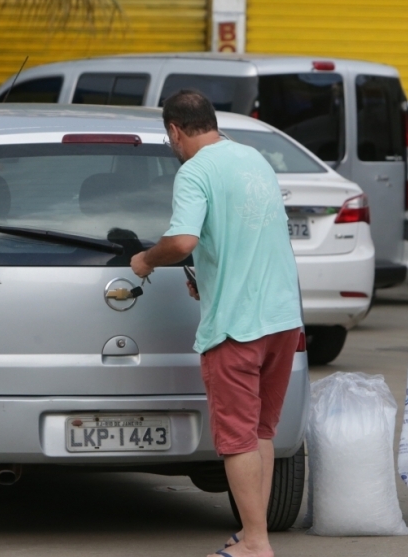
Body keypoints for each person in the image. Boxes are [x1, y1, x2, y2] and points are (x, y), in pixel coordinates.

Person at [131, 90, 302, 557]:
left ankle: (256, 542)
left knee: (237, 440)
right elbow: (252, 236)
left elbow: (183, 240)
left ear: (175, 130)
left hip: (236, 327)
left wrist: (146, 259)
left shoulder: (194, 171)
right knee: (261, 434)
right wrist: (210, 281)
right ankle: (253, 533)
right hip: (283, 319)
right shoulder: (255, 160)